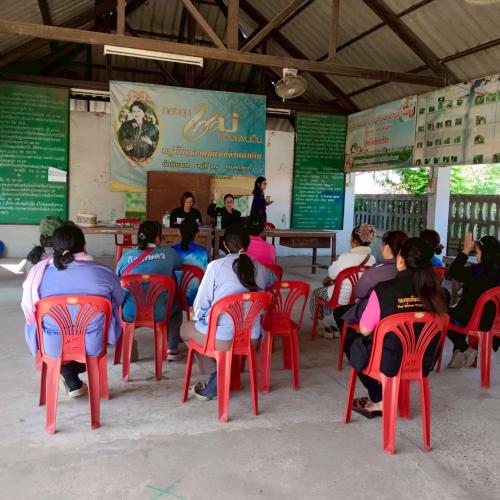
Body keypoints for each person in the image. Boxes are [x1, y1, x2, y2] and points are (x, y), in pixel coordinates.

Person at [346, 237, 448, 418]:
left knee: (351, 340)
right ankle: (387, 399)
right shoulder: (440, 293)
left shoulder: (384, 290)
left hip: (388, 363)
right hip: (423, 361)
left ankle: (380, 397)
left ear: (401, 259)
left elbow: (365, 329)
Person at [21, 225, 124, 398]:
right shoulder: (103, 272)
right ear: (84, 246)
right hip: (93, 344)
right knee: (109, 316)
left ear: (54, 248)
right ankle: (72, 372)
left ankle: (67, 373)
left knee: (33, 324)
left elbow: (28, 310)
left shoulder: (37, 275)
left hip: (52, 345)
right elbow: (119, 300)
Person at [180, 224, 276, 400]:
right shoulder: (259, 268)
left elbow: (200, 304)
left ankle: (216, 373)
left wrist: (201, 320)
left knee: (185, 329)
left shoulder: (215, 267)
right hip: (250, 338)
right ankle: (220, 374)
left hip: (221, 340)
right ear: (247, 245)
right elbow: (274, 277)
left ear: (225, 245)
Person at [116, 221, 183, 361]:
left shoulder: (126, 256)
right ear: (157, 238)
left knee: (117, 307)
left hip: (130, 313)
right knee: (177, 307)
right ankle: (172, 348)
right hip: (159, 312)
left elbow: (118, 277)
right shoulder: (168, 253)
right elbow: (179, 264)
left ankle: (128, 343)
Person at [334, 230, 408, 334]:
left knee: (340, 312)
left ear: (387, 248)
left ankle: (353, 342)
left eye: (382, 245)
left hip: (378, 316)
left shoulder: (374, 272)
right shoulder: (413, 272)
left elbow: (359, 293)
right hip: (404, 317)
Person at [309, 224, 376, 338]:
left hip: (341, 298)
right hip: (359, 299)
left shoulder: (345, 257)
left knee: (316, 293)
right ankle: (332, 325)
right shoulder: (372, 258)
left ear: (354, 241)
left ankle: (320, 326)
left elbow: (331, 273)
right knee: (328, 291)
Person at [447, 233, 500, 368]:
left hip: (475, 319)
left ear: (485, 254)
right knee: (460, 311)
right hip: (494, 322)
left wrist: (465, 250)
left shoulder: (477, 271)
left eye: (477, 252)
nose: (476, 255)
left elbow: (453, 271)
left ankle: (464, 348)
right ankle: (458, 355)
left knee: (441, 315)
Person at [172, 219, 208, 306]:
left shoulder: (171, 251)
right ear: (197, 234)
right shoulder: (203, 252)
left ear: (179, 233)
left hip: (174, 298)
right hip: (196, 299)